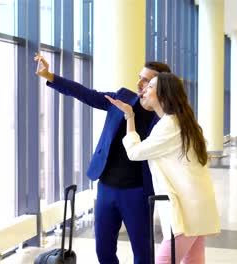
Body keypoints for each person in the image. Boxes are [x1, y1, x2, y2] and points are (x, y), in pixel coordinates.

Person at [34, 54, 171, 264]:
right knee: (103, 251)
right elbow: (86, 94)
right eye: (140, 77)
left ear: (160, 86)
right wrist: (50, 76)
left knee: (143, 254)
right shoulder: (122, 98)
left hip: (138, 191)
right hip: (106, 187)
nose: (139, 83)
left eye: (147, 81)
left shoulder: (164, 120)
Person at [105, 72, 221, 264]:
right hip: (196, 206)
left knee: (164, 261)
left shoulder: (169, 125)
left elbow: (134, 153)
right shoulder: (179, 122)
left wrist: (130, 117)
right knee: (194, 260)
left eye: (150, 86)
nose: (144, 90)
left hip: (188, 210)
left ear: (163, 95)